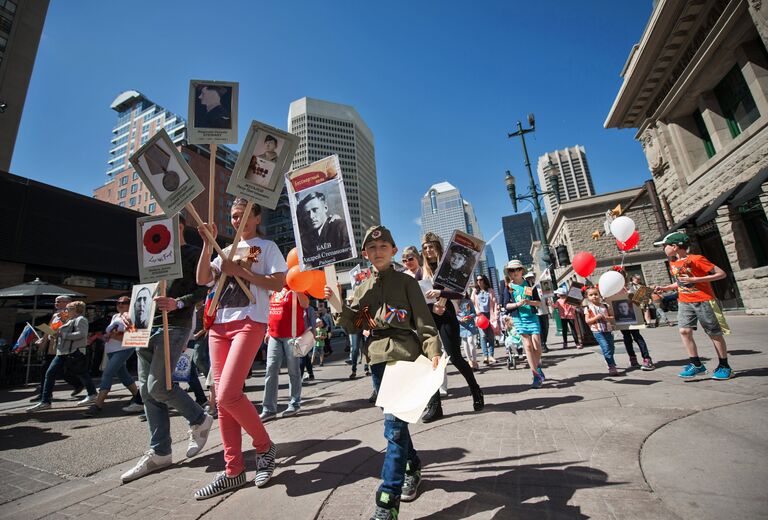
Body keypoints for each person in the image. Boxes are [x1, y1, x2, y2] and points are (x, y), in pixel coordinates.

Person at [326, 225, 441, 520]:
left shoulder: (406, 283)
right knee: (397, 425)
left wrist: (434, 353)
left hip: (404, 356)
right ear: (365, 255)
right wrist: (336, 303)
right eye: (371, 249)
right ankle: (412, 466)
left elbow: (424, 323)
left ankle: (387, 501)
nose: (377, 252)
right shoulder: (363, 288)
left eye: (383, 247)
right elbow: (353, 324)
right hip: (376, 360)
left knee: (393, 428)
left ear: (392, 250)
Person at [193, 199, 286, 498]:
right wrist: (209, 244)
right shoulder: (225, 250)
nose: (237, 220)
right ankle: (233, 470)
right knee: (222, 402)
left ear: (257, 217)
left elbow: (278, 283)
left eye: (243, 214)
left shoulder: (265, 247)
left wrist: (242, 272)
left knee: (228, 393)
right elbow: (203, 279)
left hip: (250, 321)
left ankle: (265, 447)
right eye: (233, 216)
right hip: (218, 326)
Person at [120, 216, 213, 484]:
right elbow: (144, 292)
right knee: (148, 393)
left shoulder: (194, 254)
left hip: (175, 325)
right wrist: (131, 314)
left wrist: (178, 304)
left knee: (158, 386)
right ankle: (160, 452)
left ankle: (199, 418)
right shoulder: (152, 258)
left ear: (179, 227)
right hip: (143, 327)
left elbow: (203, 290)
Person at [421, 232, 484, 422]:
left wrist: (440, 293)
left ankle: (476, 390)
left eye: (431, 246)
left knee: (455, 357)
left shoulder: (449, 266)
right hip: (428, 317)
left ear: (438, 248)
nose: (428, 250)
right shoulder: (421, 271)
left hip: (446, 314)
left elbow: (460, 293)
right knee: (430, 361)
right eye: (424, 247)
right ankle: (435, 406)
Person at [653, 232, 732, 380]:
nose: (664, 249)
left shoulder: (697, 259)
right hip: (684, 301)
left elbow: (721, 274)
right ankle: (696, 364)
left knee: (714, 333)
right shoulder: (673, 263)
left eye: (665, 246)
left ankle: (724, 366)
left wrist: (697, 278)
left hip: (704, 300)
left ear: (675, 247)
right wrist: (665, 288)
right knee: (684, 331)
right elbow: (681, 282)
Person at [27, 300, 98, 411]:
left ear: (76, 310)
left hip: (74, 352)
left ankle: (92, 394)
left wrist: (62, 334)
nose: (66, 311)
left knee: (82, 373)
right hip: (62, 352)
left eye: (68, 309)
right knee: (50, 374)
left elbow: (81, 334)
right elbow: (59, 335)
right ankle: (45, 401)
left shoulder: (81, 319)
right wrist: (52, 335)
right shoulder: (68, 321)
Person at [83, 296, 144, 416]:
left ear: (130, 304)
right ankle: (138, 398)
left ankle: (98, 404)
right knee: (123, 375)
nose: (120, 305)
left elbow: (132, 335)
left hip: (124, 349)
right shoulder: (115, 316)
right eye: (118, 303)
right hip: (111, 349)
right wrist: (104, 336)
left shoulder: (131, 316)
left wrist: (112, 336)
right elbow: (110, 333)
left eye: (124, 303)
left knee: (107, 374)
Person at [260, 285, 307, 422]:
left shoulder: (296, 285)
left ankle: (294, 403)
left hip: (292, 336)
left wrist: (297, 288)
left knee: (293, 371)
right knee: (270, 370)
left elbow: (305, 304)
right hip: (275, 335)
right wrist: (268, 330)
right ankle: (268, 409)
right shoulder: (274, 287)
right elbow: (269, 310)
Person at [30, 295, 83, 401]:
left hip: (63, 347)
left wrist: (55, 333)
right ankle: (44, 394)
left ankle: (78, 384)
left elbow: (66, 331)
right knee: (46, 369)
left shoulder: (70, 315)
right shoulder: (55, 315)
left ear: (67, 303)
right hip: (51, 347)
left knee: (59, 371)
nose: (56, 303)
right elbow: (50, 330)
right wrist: (43, 339)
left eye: (59, 301)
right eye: (56, 301)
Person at [502, 260, 545, 388]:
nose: (514, 272)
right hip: (519, 319)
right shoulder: (508, 288)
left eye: (517, 269)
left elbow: (538, 302)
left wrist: (529, 302)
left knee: (537, 346)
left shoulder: (529, 285)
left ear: (522, 270)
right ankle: (535, 375)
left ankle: (538, 368)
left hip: (532, 318)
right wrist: (518, 304)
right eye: (511, 270)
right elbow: (506, 305)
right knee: (527, 346)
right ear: (509, 273)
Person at [297, 192, 349, 259]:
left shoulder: (340, 227)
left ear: (325, 208)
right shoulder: (305, 240)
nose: (311, 216)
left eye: (315, 210)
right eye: (307, 213)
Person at [584, 287, 619, 376]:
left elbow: (612, 317)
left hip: (608, 329)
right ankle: (612, 366)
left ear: (599, 295)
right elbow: (587, 321)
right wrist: (597, 317)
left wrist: (607, 318)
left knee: (611, 347)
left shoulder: (605, 306)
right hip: (597, 331)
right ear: (587, 297)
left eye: (596, 294)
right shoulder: (588, 308)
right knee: (605, 347)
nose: (594, 296)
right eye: (591, 295)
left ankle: (608, 359)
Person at [471, 274, 499, 364]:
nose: (479, 281)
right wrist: (476, 311)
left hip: (490, 315)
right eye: (477, 280)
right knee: (483, 336)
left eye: (481, 279)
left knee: (491, 336)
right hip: (480, 316)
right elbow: (472, 302)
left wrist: (496, 314)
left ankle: (491, 355)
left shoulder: (490, 290)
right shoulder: (475, 291)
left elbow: (495, 302)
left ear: (484, 280)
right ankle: (485, 356)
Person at [525, 271, 551, 353]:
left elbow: (547, 295)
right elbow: (528, 299)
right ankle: (543, 344)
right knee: (539, 329)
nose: (530, 279)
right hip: (535, 312)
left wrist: (548, 300)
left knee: (546, 327)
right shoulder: (528, 288)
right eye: (528, 278)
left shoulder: (540, 285)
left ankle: (544, 342)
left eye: (532, 277)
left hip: (544, 310)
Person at [457, 295, 480, 370]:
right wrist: (459, 319)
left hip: (469, 324)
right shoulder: (454, 303)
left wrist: (469, 317)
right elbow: (454, 314)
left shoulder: (468, 302)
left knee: (470, 341)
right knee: (465, 342)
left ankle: (475, 361)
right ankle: (469, 361)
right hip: (462, 325)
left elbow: (474, 313)